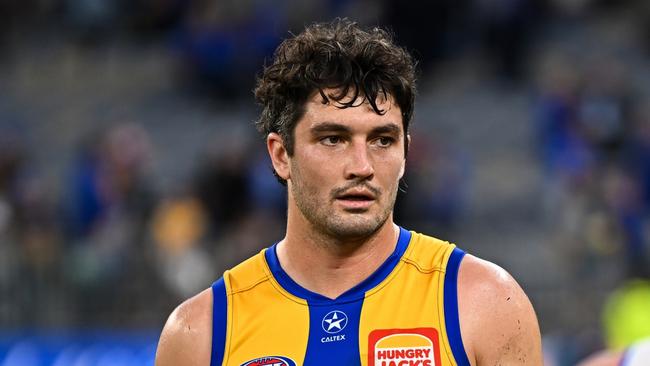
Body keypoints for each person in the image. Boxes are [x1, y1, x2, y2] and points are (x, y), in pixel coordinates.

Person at [155, 19, 542, 366]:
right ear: (280, 155)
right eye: (333, 139)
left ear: (405, 152)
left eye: (382, 140)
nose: (362, 165)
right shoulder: (200, 335)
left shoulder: (485, 304)